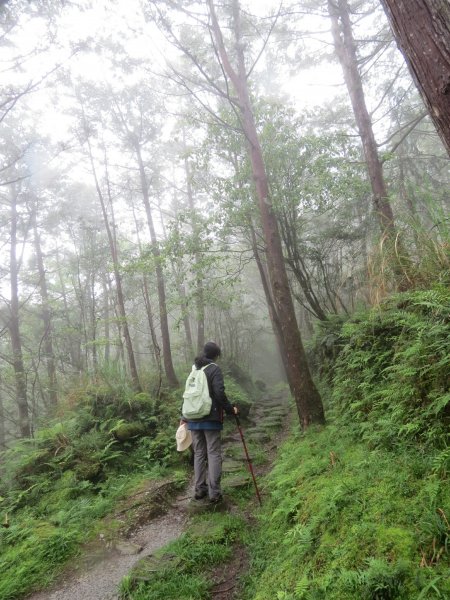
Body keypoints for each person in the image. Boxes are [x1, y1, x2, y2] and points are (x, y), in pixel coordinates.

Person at [184, 341, 237, 503]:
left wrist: (183, 417)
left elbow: (188, 393)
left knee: (199, 453)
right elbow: (219, 393)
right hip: (210, 417)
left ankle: (199, 489)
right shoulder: (214, 369)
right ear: (216, 355)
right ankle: (215, 492)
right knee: (213, 453)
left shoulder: (195, 369)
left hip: (193, 417)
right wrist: (230, 409)